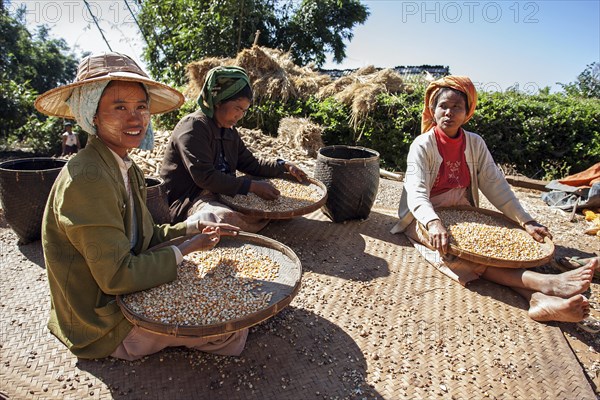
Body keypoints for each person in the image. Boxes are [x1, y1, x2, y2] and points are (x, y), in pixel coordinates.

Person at [35, 52, 247, 361]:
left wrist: (193, 226)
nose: (135, 119)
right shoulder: (87, 178)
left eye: (141, 107)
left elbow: (143, 236)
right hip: (101, 316)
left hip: (121, 283)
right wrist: (186, 249)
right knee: (230, 332)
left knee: (225, 299)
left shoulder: (124, 165)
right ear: (92, 113)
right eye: (119, 107)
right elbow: (118, 276)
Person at [391, 75, 598, 323]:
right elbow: (415, 191)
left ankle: (539, 301)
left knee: (487, 249)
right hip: (422, 214)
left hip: (461, 209)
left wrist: (526, 220)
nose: (449, 112)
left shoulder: (475, 143)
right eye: (442, 106)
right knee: (459, 253)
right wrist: (433, 222)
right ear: (432, 110)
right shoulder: (422, 144)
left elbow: (496, 185)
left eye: (457, 107)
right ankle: (545, 284)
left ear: (468, 111)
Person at [160, 66, 307, 232]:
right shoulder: (193, 127)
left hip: (222, 194)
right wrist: (252, 187)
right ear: (218, 100)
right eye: (237, 108)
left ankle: (247, 223)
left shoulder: (229, 131)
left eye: (244, 111)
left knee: (278, 203)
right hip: (191, 199)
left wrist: (284, 165)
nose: (240, 116)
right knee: (221, 218)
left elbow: (252, 164)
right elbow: (205, 177)